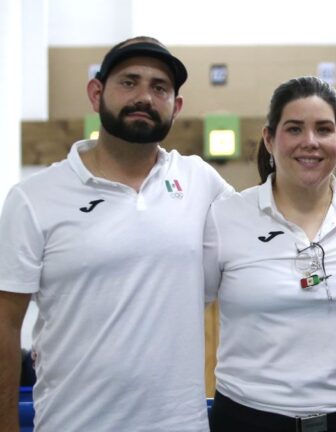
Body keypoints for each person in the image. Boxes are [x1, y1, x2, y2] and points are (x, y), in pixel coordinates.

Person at [0, 36, 230, 431]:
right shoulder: (33, 198)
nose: (144, 96)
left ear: (175, 107)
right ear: (96, 93)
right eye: (129, 82)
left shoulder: (200, 181)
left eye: (159, 87)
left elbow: (276, 214)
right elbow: (5, 324)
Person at [203, 76, 336, 432]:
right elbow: (183, 309)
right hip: (250, 417)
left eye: (324, 129)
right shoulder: (225, 217)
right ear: (269, 138)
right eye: (294, 129)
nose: (310, 142)